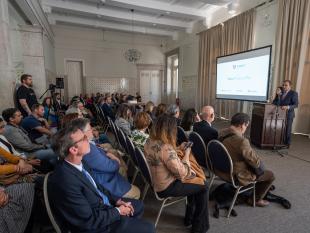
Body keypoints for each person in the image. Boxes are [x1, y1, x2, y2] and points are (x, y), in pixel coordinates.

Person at [49, 125, 155, 233]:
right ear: (74, 149)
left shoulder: (79, 162)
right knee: (149, 228)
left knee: (139, 206)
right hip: (97, 225)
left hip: (102, 207)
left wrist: (117, 201)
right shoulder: (66, 181)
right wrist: (118, 211)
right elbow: (89, 221)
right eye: (84, 138)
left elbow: (97, 186)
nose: (88, 139)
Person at [144, 114, 209, 233]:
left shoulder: (149, 141)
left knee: (195, 184)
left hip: (158, 182)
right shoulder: (166, 148)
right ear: (170, 130)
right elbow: (182, 173)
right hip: (167, 187)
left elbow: (164, 158)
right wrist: (187, 153)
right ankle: (199, 227)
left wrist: (179, 148)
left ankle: (189, 219)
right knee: (203, 186)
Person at [72, 118, 140, 199]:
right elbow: (110, 167)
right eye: (90, 129)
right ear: (84, 133)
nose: (92, 129)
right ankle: (123, 202)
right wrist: (115, 160)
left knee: (121, 167)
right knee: (137, 192)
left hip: (103, 173)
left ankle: (126, 182)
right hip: (105, 182)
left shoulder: (83, 146)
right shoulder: (89, 150)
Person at [219, 113, 275, 207]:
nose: (246, 129)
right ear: (242, 125)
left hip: (220, 170)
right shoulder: (242, 141)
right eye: (246, 126)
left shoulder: (222, 132)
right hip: (234, 175)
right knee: (270, 175)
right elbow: (254, 162)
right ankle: (255, 199)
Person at [272, 80, 298, 148]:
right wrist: (278, 96)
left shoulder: (293, 93)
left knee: (287, 129)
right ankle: (280, 142)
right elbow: (274, 103)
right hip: (280, 114)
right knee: (279, 128)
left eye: (286, 85)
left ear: (290, 86)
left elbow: (296, 104)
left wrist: (288, 107)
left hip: (289, 114)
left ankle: (287, 143)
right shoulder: (280, 92)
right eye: (283, 85)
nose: (284, 86)